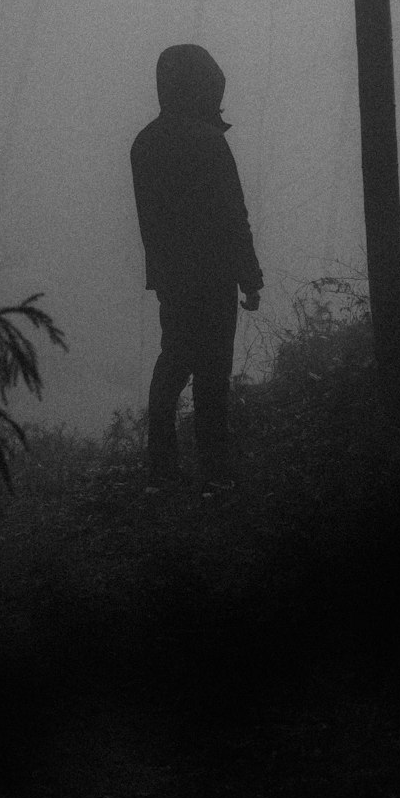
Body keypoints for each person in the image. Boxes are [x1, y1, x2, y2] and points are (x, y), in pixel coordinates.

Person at [130, 43, 263, 491]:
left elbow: (151, 220)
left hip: (173, 279)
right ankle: (214, 470)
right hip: (214, 275)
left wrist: (163, 274)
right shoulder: (209, 142)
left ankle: (162, 469)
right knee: (212, 373)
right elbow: (233, 213)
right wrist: (250, 277)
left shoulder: (144, 144)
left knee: (173, 364)